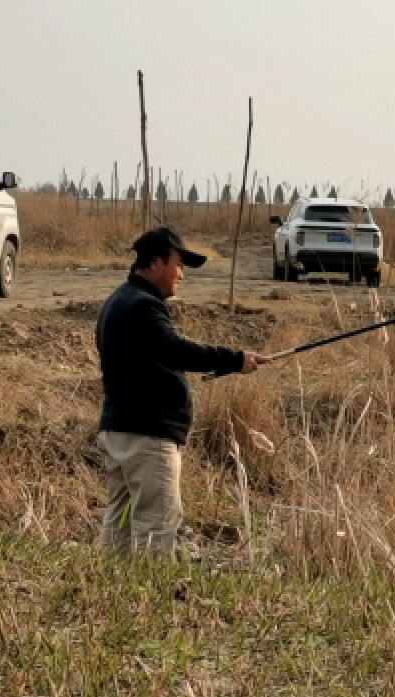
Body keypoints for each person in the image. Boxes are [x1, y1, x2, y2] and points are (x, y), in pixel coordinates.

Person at [95, 226, 269, 558]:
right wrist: (235, 359)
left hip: (120, 433)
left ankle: (110, 598)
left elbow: (157, 356)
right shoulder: (143, 306)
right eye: (179, 264)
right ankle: (149, 603)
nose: (182, 274)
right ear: (156, 264)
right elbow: (177, 350)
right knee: (155, 529)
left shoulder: (118, 300)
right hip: (147, 440)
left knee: (119, 528)